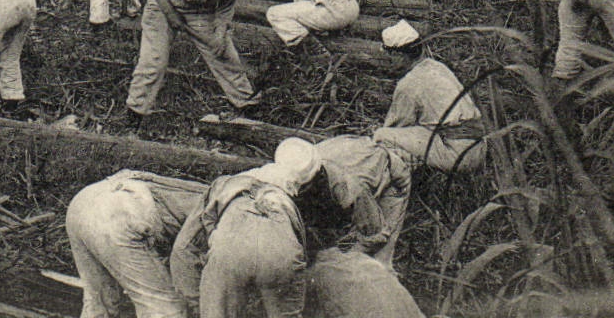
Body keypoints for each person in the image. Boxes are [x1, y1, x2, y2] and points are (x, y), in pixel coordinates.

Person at [170, 138, 319, 318]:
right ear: (303, 182)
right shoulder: (289, 205)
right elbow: (299, 249)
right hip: (282, 256)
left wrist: (197, 305)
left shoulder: (224, 185)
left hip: (229, 252)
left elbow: (184, 247)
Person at [125, 0, 257, 121]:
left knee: (222, 52)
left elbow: (226, 7)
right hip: (162, 5)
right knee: (154, 60)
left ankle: (246, 103)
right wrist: (171, 15)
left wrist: (219, 33)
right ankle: (136, 111)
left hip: (199, 11)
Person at [66, 170, 203, 318]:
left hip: (85, 201)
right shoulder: (217, 218)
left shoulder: (211, 193)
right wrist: (195, 304)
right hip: (123, 213)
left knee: (99, 304)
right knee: (165, 309)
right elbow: (183, 254)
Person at [372, 20, 485, 172]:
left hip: (457, 154)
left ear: (399, 55)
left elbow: (397, 125)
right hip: (478, 148)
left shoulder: (408, 83)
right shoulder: (437, 67)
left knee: (382, 136)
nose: (388, 62)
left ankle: (407, 176)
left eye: (389, 56)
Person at [308, 135, 412, 268]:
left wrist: (340, 259)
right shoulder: (305, 159)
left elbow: (376, 235)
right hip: (366, 163)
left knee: (378, 261)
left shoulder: (350, 187)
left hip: (392, 175)